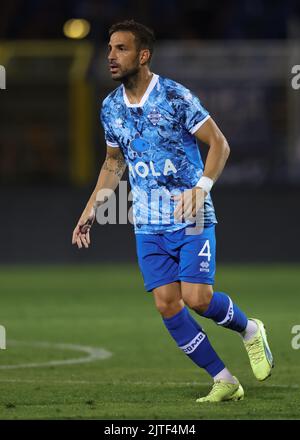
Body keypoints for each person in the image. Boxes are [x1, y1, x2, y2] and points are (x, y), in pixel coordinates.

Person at [72, 19, 274, 403]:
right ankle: (224, 379)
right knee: (167, 304)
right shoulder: (110, 108)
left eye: (121, 49)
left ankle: (250, 330)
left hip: (191, 215)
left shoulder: (175, 97)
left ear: (143, 55)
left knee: (198, 299)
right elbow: (114, 163)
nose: (111, 56)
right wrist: (91, 210)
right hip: (147, 222)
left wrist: (201, 189)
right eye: (110, 48)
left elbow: (219, 144)